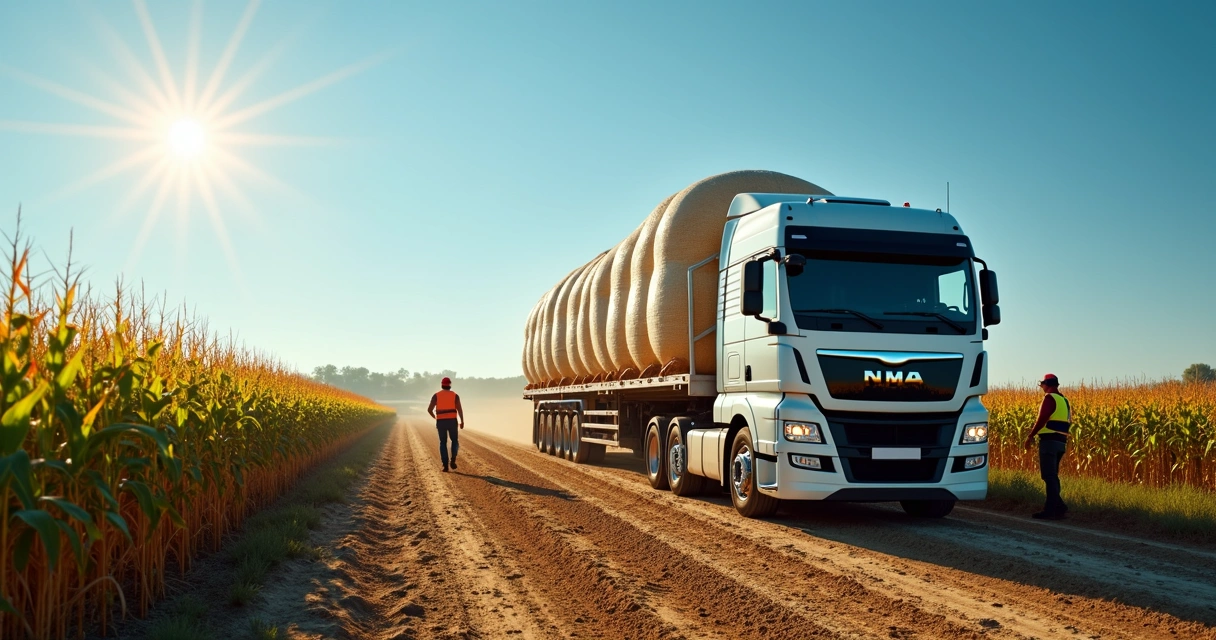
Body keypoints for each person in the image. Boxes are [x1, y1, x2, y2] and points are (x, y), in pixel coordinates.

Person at [1022, 373, 1071, 520]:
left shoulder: (1049, 398)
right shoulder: (1064, 400)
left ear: (1047, 384)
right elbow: (1069, 420)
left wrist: (1030, 435)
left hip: (1049, 441)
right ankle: (1059, 507)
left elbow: (1042, 418)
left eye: (1042, 384)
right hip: (1061, 441)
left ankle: (1050, 511)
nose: (1041, 387)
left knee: (1048, 476)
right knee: (1052, 476)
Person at [427, 376, 464, 472]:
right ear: (450, 385)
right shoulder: (455, 395)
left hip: (441, 422)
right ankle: (453, 460)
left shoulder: (436, 395)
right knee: (454, 441)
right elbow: (459, 409)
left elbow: (429, 410)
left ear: (442, 385)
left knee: (443, 443)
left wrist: (435, 417)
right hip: (452, 421)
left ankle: (445, 466)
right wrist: (462, 421)